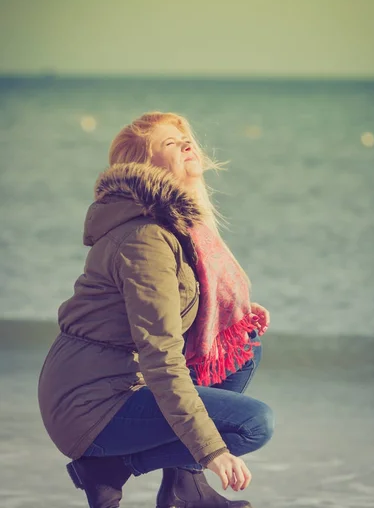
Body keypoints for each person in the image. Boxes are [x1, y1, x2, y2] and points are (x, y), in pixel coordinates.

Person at [38, 111, 274, 508]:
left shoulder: (175, 227)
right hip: (93, 403)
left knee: (243, 349)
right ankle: (110, 468)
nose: (186, 145)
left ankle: (185, 489)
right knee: (253, 424)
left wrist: (220, 309)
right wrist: (210, 451)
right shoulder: (146, 240)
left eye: (186, 139)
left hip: (117, 380)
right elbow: (160, 357)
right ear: (145, 167)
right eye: (170, 143)